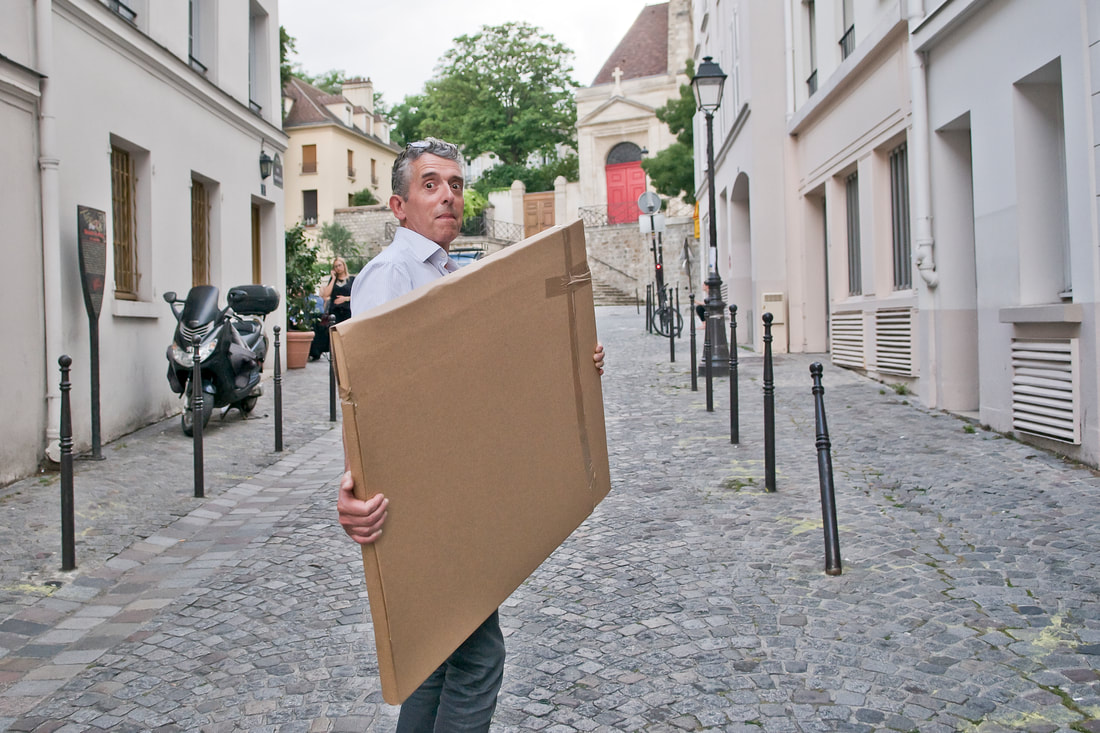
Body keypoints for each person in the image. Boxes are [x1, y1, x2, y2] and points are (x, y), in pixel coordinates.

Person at [338, 137, 605, 731]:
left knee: (436, 658)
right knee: (479, 659)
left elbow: (489, 376)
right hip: (422, 500)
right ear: (398, 205)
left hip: (454, 489)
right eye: (431, 184)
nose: (449, 196)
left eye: (456, 185)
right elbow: (369, 399)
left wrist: (574, 360)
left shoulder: (449, 271)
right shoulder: (391, 274)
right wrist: (354, 486)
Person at [311, 257, 355, 360]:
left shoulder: (351, 280)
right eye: (335, 266)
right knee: (335, 335)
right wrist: (333, 278)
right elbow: (326, 294)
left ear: (344, 265)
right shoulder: (333, 280)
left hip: (347, 311)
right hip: (335, 312)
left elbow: (357, 294)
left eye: (339, 265)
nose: (338, 268)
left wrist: (346, 299)